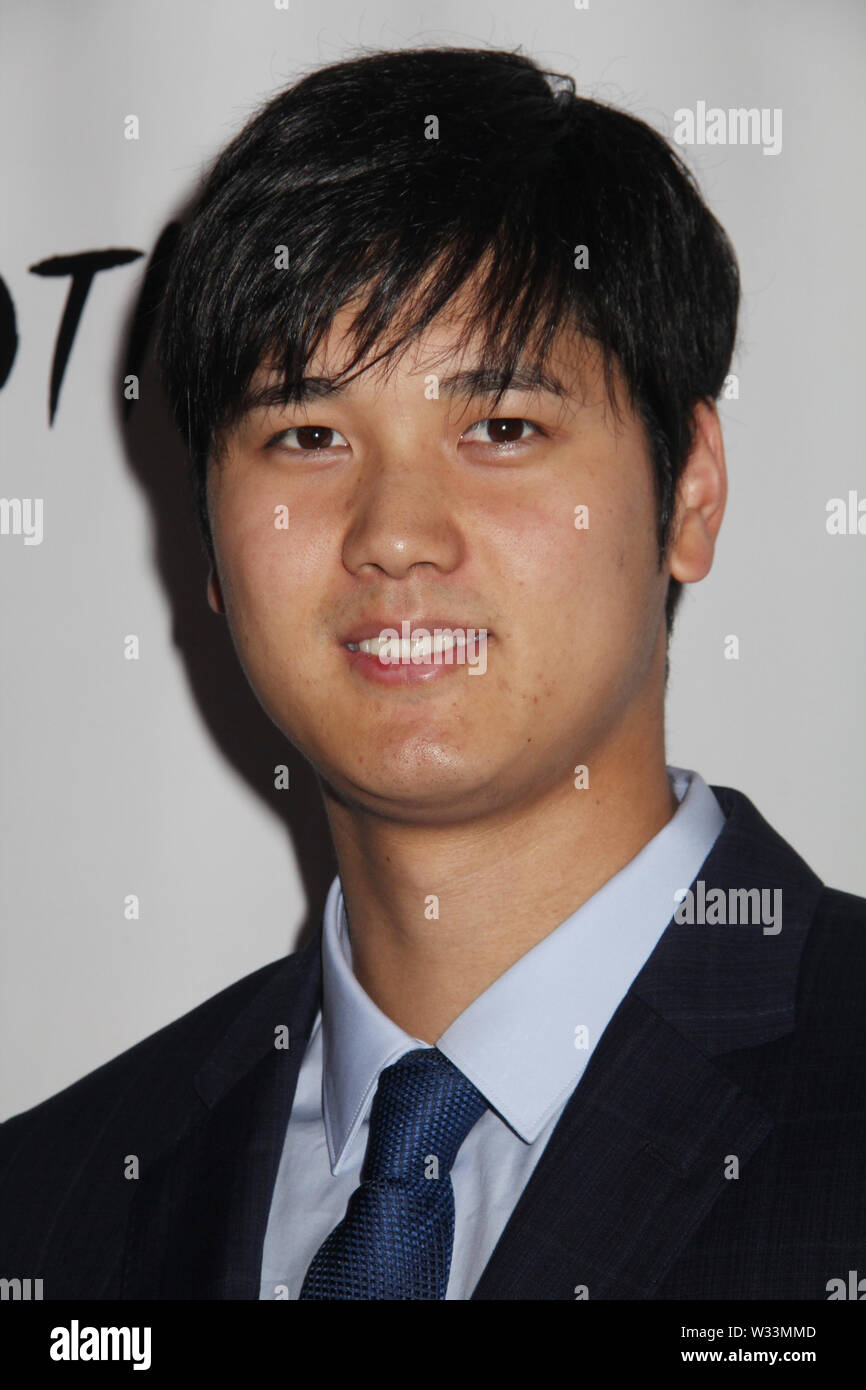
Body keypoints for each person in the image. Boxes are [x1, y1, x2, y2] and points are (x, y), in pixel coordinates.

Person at [1, 45, 863, 1302]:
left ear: (689, 488)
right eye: (305, 434)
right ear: (207, 541)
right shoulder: (49, 1209)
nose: (394, 529)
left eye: (499, 429)